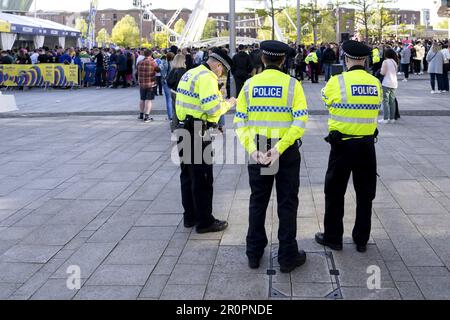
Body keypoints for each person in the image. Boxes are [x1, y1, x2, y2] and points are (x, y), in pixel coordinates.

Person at [234, 40, 309, 273]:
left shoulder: (249, 85)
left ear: (263, 60)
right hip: (283, 151)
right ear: (283, 60)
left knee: (258, 201)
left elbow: (240, 122)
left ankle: (254, 253)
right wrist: (281, 147)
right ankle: (287, 256)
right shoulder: (292, 85)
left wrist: (252, 149)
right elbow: (300, 120)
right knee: (287, 202)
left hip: (259, 148)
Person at [316, 40, 382, 254]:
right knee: (365, 193)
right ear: (364, 60)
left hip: (342, 145)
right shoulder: (375, 83)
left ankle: (333, 237)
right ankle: (361, 239)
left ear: (346, 59)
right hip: (367, 146)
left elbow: (326, 101)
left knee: (335, 192)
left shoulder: (337, 82)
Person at [175, 47, 236, 234]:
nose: (221, 74)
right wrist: (229, 103)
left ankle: (190, 217)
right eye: (222, 70)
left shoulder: (191, 73)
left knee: (187, 175)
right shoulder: (207, 78)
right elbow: (213, 109)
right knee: (202, 177)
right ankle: (205, 221)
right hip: (197, 131)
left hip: (183, 128)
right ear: (218, 65)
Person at [137, 49, 159, 123]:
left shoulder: (140, 62)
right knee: (148, 100)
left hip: (141, 83)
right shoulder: (153, 62)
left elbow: (137, 71)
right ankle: (147, 116)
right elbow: (158, 70)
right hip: (150, 84)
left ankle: (141, 114)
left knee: (142, 99)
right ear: (150, 54)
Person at [167, 54, 188, 131]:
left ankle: (174, 126)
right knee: (180, 111)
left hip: (173, 92)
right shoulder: (183, 71)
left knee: (174, 110)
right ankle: (177, 126)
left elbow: (168, 81)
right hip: (180, 93)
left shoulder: (173, 70)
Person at [379, 48, 399, 124]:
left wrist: (379, 72)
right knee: (392, 101)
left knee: (385, 101)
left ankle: (385, 118)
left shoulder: (385, 62)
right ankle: (392, 118)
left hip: (386, 83)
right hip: (394, 83)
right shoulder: (395, 62)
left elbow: (383, 73)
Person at [160, 52, 175, 121]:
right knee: (173, 99)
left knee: (168, 99)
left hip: (166, 82)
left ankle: (170, 116)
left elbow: (162, 73)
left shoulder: (166, 63)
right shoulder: (175, 64)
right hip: (173, 82)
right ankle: (173, 115)